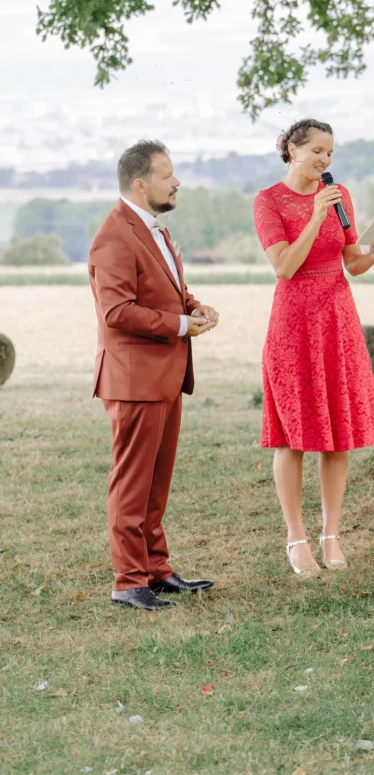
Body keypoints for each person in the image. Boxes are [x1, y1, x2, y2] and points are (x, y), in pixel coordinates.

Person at [253, 119, 374, 575]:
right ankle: (296, 538)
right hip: (294, 322)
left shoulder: (341, 195)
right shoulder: (268, 201)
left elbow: (350, 263)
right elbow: (286, 266)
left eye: (330, 153)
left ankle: (332, 534)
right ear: (291, 150)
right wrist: (314, 215)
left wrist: (371, 254)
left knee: (339, 433)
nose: (325, 161)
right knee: (292, 434)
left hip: (337, 319)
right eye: (316, 151)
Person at [89, 140, 219, 610]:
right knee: (132, 482)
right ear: (141, 184)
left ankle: (157, 570)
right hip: (133, 380)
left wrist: (192, 306)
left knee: (156, 483)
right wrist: (181, 326)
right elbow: (117, 311)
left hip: (165, 374)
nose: (177, 182)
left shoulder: (152, 228)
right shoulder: (113, 235)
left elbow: (162, 290)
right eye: (168, 175)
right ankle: (128, 580)